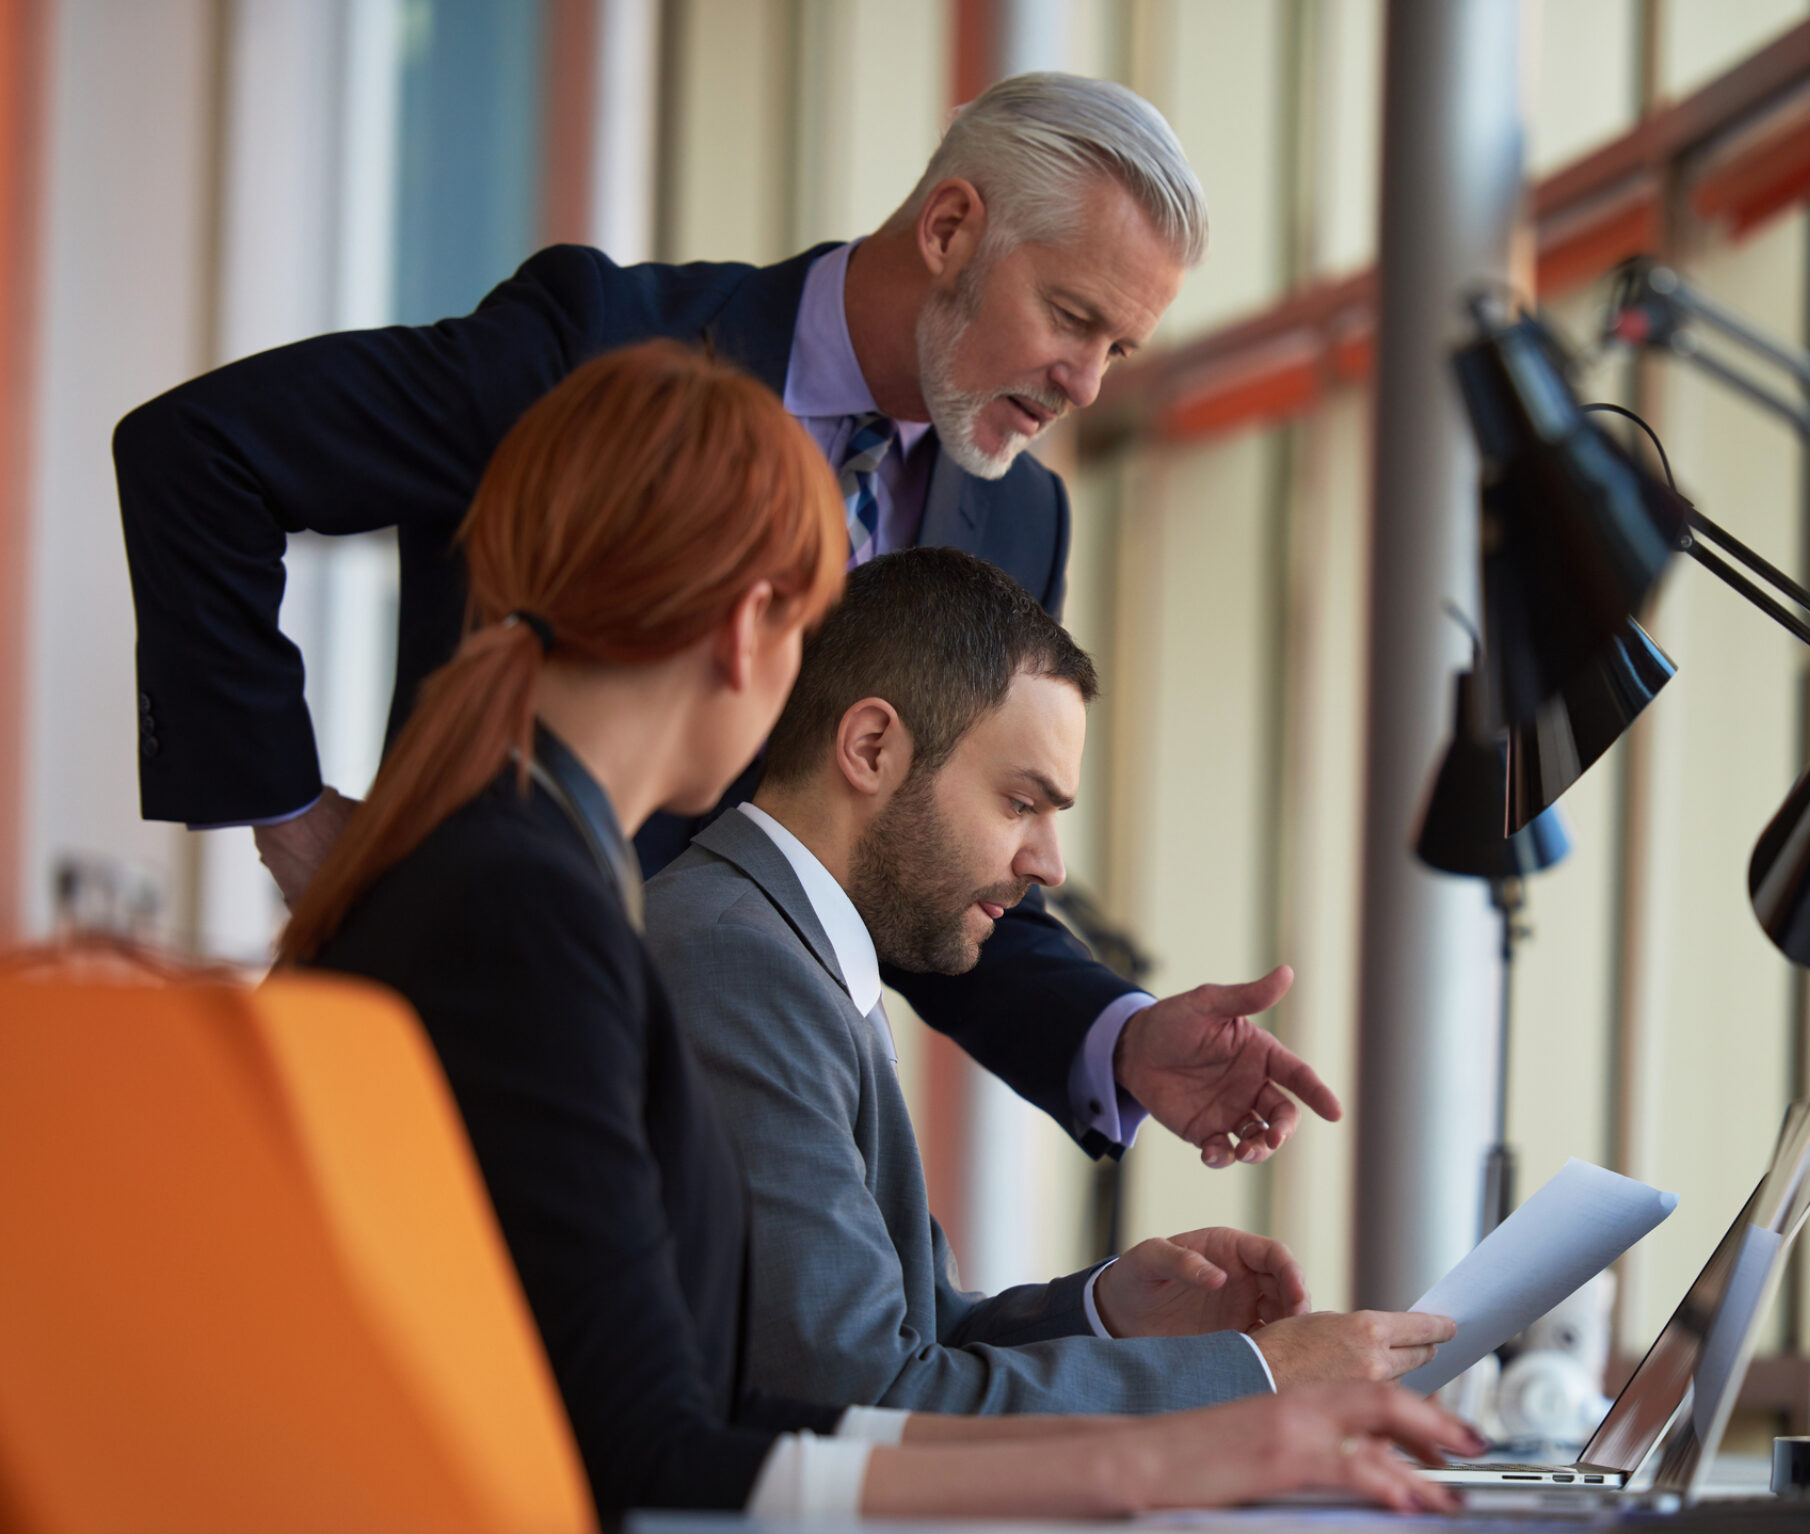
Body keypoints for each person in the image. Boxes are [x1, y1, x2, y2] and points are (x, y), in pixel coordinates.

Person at [284, 339, 1478, 1530]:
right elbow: (676, 1442)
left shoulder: (531, 880)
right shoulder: (574, 923)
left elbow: (769, 1374)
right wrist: (1180, 1441)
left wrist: (1123, 1328)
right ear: (754, 625)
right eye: (807, 625)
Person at [115, 71, 1312, 1177]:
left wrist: (1118, 1036)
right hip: (439, 1078)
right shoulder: (598, 349)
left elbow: (919, 861)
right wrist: (292, 818)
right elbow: (202, 454)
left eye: (1121, 347)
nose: (1088, 384)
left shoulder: (1019, 520)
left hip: (731, 1164)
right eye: (1071, 316)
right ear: (950, 228)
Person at [647, 546, 1458, 1415]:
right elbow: (865, 1397)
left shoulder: (785, 944)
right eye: (1020, 803)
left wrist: (1106, 1313)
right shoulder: (742, 963)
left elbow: (912, 1337)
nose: (1051, 866)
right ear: (872, 747)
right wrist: (1264, 1376)